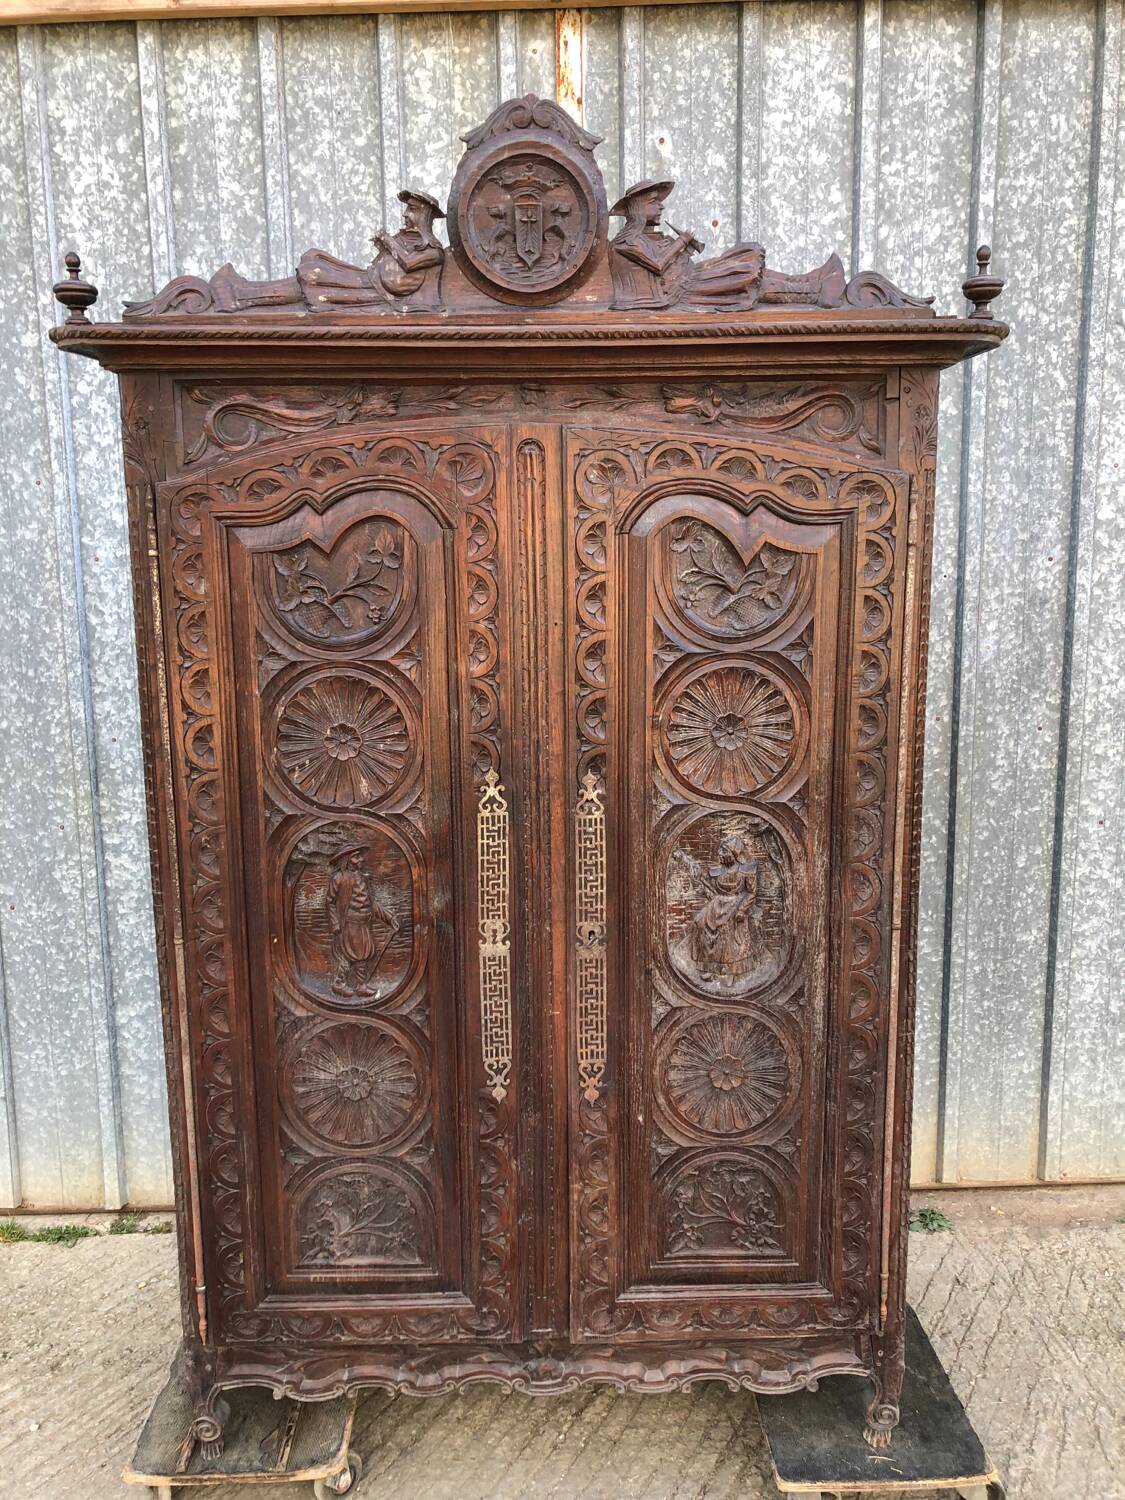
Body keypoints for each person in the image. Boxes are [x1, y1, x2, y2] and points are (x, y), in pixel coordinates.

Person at [608, 180, 845, 312]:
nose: (661, 207)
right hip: (680, 291)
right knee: (742, 275)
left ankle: (809, 279)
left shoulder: (648, 237)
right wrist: (681, 241)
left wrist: (686, 249)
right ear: (638, 208)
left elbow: (670, 261)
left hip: (688, 278)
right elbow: (658, 265)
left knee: (744, 258)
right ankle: (814, 293)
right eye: (653, 202)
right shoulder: (625, 242)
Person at [298, 189, 446, 311]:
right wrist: (383, 247)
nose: (405, 214)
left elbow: (409, 263)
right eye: (407, 208)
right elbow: (392, 262)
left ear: (425, 214)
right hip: (371, 281)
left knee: (318, 275)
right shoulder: (408, 240)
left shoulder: (434, 251)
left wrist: (387, 240)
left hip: (376, 293)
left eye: (412, 209)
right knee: (317, 262)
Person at [327, 843, 400, 998]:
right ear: (346, 860)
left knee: (364, 953)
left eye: (360, 856)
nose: (361, 859)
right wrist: (335, 924)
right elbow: (330, 902)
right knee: (349, 953)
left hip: (364, 922)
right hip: (349, 923)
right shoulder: (339, 878)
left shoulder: (362, 877)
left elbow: (371, 903)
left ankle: (360, 985)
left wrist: (390, 917)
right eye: (356, 857)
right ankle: (339, 984)